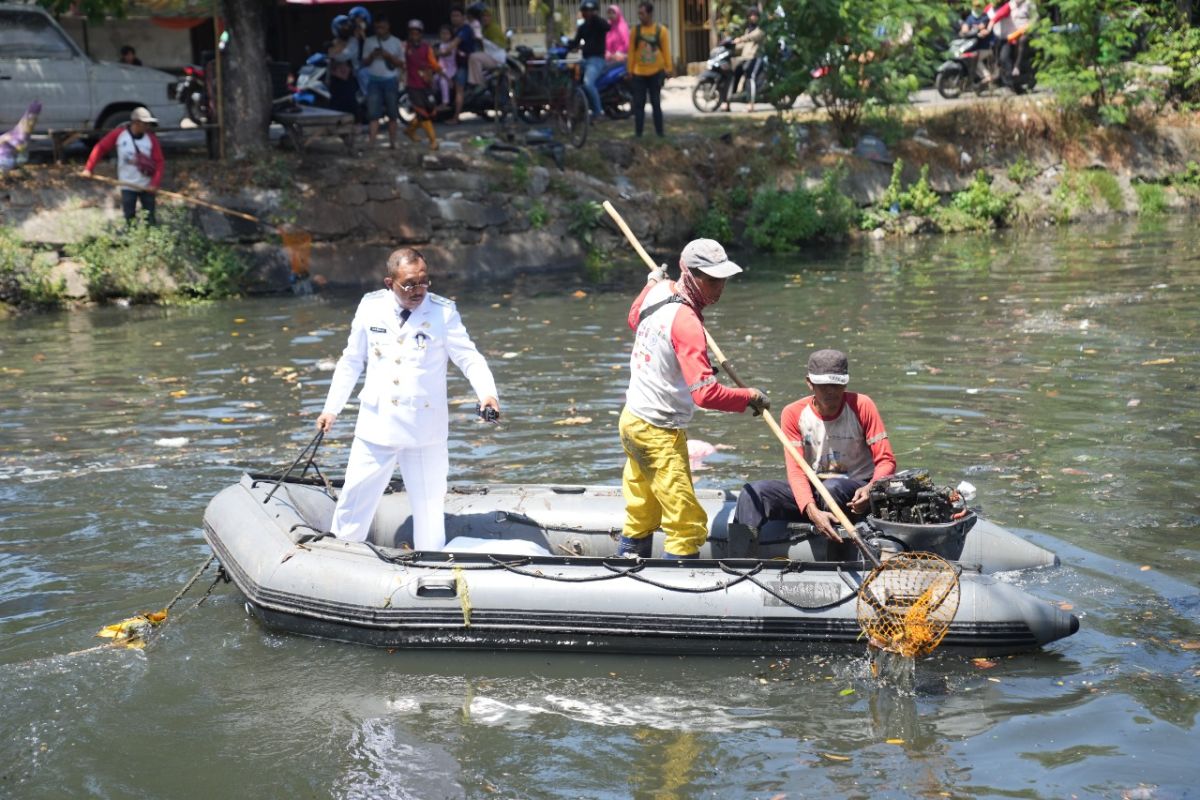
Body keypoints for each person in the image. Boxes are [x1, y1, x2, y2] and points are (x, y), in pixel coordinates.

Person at [316, 248, 500, 550]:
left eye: (424, 282)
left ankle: (432, 571)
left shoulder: (443, 312)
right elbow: (351, 361)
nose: (418, 291)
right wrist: (331, 409)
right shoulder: (370, 307)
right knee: (355, 499)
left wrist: (487, 394)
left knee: (429, 509)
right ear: (390, 283)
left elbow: (469, 358)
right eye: (409, 284)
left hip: (424, 429)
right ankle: (341, 558)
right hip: (377, 425)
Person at [617, 239, 770, 559]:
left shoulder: (658, 292)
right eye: (711, 280)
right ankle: (678, 591)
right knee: (686, 526)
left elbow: (635, 318)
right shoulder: (687, 322)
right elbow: (705, 394)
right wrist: (748, 397)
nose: (719, 287)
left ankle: (629, 561)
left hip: (632, 421)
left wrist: (649, 284)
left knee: (642, 508)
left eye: (723, 279)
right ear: (689, 275)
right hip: (659, 430)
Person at [733, 349, 896, 542]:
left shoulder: (862, 406)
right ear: (809, 383)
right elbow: (796, 471)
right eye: (823, 385)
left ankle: (838, 547)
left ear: (845, 383)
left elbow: (886, 461)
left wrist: (871, 488)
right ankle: (743, 559)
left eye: (837, 385)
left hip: (853, 490)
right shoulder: (793, 413)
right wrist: (810, 509)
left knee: (832, 488)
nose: (831, 391)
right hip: (814, 488)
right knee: (753, 493)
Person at [80, 106, 163, 226]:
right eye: (145, 123)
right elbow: (100, 148)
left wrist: (154, 184)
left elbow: (159, 162)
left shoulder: (151, 139)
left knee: (150, 218)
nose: (147, 126)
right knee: (129, 218)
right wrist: (89, 168)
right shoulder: (119, 134)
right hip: (127, 185)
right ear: (136, 122)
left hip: (147, 187)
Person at [626, 1, 672, 138]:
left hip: (656, 72)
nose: (640, 16)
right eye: (639, 13)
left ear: (650, 14)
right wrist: (629, 70)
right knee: (638, 105)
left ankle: (660, 133)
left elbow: (666, 51)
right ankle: (638, 134)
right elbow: (631, 52)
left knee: (656, 104)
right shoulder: (635, 31)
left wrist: (668, 68)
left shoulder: (661, 31)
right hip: (638, 73)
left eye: (643, 13)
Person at [362, 16, 405, 147]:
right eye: (377, 27)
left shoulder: (396, 42)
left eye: (382, 26)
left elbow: (401, 63)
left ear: (388, 26)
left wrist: (388, 56)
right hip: (374, 81)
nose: (380, 29)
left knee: (393, 113)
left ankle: (393, 143)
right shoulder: (369, 41)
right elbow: (364, 62)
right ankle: (371, 143)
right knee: (373, 114)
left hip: (390, 81)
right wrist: (372, 56)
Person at [401, 19, 442, 150]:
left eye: (417, 32)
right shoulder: (405, 47)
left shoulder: (426, 47)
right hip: (413, 85)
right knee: (423, 113)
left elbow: (434, 63)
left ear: (421, 33)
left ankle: (410, 130)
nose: (414, 35)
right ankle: (433, 141)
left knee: (431, 111)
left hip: (426, 84)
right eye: (412, 32)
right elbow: (401, 63)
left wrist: (440, 72)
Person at [571, 0, 611, 120]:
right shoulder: (582, 27)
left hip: (596, 60)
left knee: (588, 84)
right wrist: (564, 45)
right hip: (585, 60)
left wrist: (595, 17)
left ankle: (598, 112)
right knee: (572, 79)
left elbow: (607, 27)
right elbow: (575, 42)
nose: (586, 13)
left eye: (589, 11)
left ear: (594, 11)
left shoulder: (599, 24)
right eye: (584, 11)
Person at [986, 0, 1036, 88]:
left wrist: (1028, 26)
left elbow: (1035, 18)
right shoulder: (1010, 4)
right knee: (1003, 58)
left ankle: (1018, 67)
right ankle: (1010, 83)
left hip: (1026, 33)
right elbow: (998, 14)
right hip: (1010, 37)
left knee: (1023, 41)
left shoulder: (1029, 3)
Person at [726, 8, 766, 112]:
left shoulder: (760, 29)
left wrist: (740, 39)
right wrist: (732, 45)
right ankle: (728, 102)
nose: (753, 17)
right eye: (751, 15)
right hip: (745, 58)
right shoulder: (748, 29)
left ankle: (750, 104)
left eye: (755, 15)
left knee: (750, 78)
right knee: (735, 75)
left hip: (755, 58)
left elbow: (751, 37)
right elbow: (743, 45)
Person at [327, 14, 362, 118]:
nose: (346, 27)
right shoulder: (334, 42)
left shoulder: (353, 41)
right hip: (335, 80)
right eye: (343, 25)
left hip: (350, 79)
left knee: (350, 105)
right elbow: (329, 54)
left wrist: (335, 52)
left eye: (347, 25)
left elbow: (343, 56)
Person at [465, 3, 507, 88]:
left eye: (487, 16)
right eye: (483, 16)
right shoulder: (484, 28)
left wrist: (482, 40)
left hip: (496, 57)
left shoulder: (494, 28)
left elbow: (497, 46)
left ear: (491, 17)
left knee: (474, 57)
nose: (485, 18)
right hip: (489, 55)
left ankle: (479, 84)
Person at [448, 5, 476, 123]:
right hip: (457, 64)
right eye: (453, 16)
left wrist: (440, 52)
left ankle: (456, 117)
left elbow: (453, 44)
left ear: (463, 17)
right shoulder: (456, 30)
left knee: (459, 90)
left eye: (457, 15)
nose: (454, 18)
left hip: (465, 64)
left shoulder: (465, 29)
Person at [434, 24, 458, 110]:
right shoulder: (440, 45)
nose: (444, 36)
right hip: (442, 68)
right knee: (434, 80)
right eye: (442, 33)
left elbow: (446, 54)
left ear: (451, 35)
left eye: (446, 33)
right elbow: (440, 60)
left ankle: (445, 102)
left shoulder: (452, 45)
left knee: (443, 82)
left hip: (451, 68)